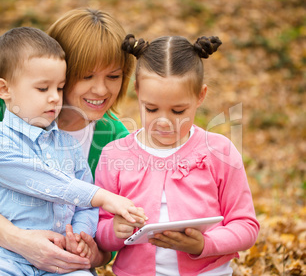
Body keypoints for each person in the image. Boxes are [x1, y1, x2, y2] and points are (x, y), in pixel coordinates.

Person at [0, 8, 139, 275]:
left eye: (113, 76)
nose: (101, 90)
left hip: (61, 262)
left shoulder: (114, 138)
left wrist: (94, 252)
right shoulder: (5, 101)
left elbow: (106, 225)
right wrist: (18, 240)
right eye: (87, 76)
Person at [94, 34, 260, 276]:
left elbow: (245, 225)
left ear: (200, 96)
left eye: (178, 110)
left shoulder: (219, 151)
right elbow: (98, 230)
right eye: (151, 109)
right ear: (138, 91)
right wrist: (114, 230)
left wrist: (205, 244)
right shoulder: (114, 155)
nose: (164, 121)